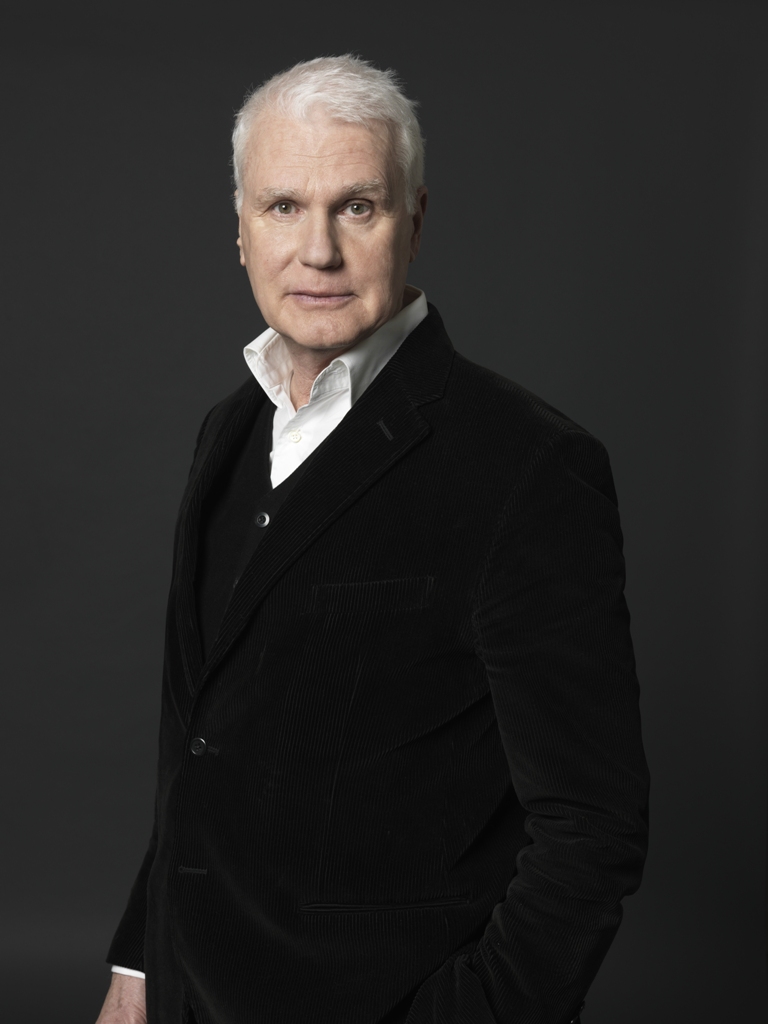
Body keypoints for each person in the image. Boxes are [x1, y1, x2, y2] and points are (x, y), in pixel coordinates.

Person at [96, 54, 649, 1024]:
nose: (318, 250)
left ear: (414, 221)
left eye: (357, 207)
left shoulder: (525, 466)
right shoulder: (228, 431)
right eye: (283, 207)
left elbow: (591, 830)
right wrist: (141, 968)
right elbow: (199, 746)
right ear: (240, 229)